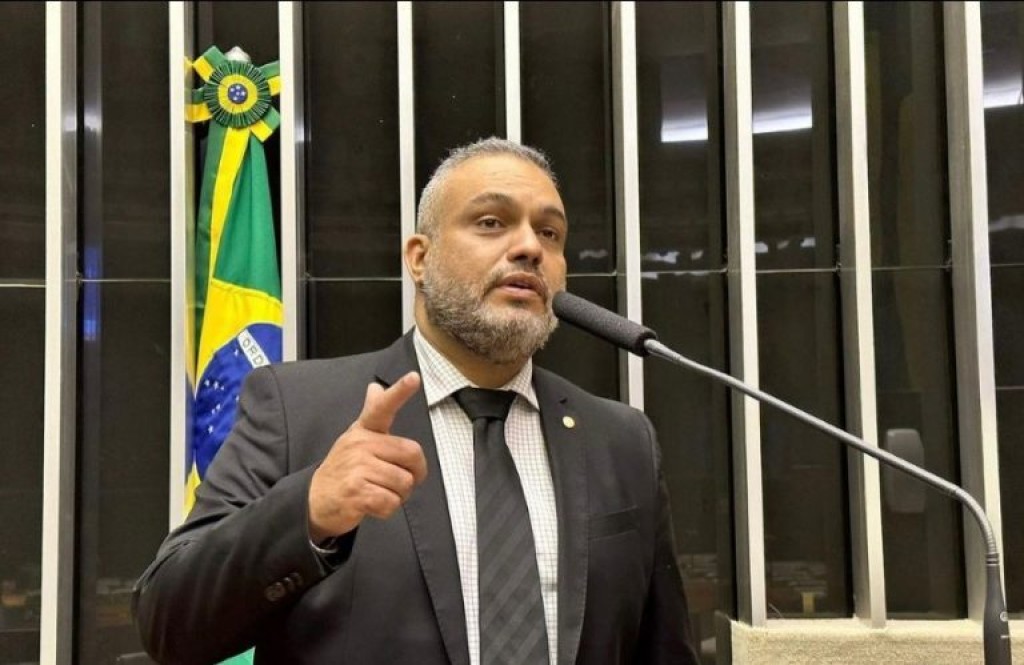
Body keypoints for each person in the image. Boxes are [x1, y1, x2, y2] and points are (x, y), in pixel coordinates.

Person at [133, 137, 699, 665]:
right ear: (419, 258)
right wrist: (308, 512)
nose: (530, 247)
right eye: (491, 222)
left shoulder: (622, 441)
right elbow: (168, 624)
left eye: (550, 233)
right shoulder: (295, 409)